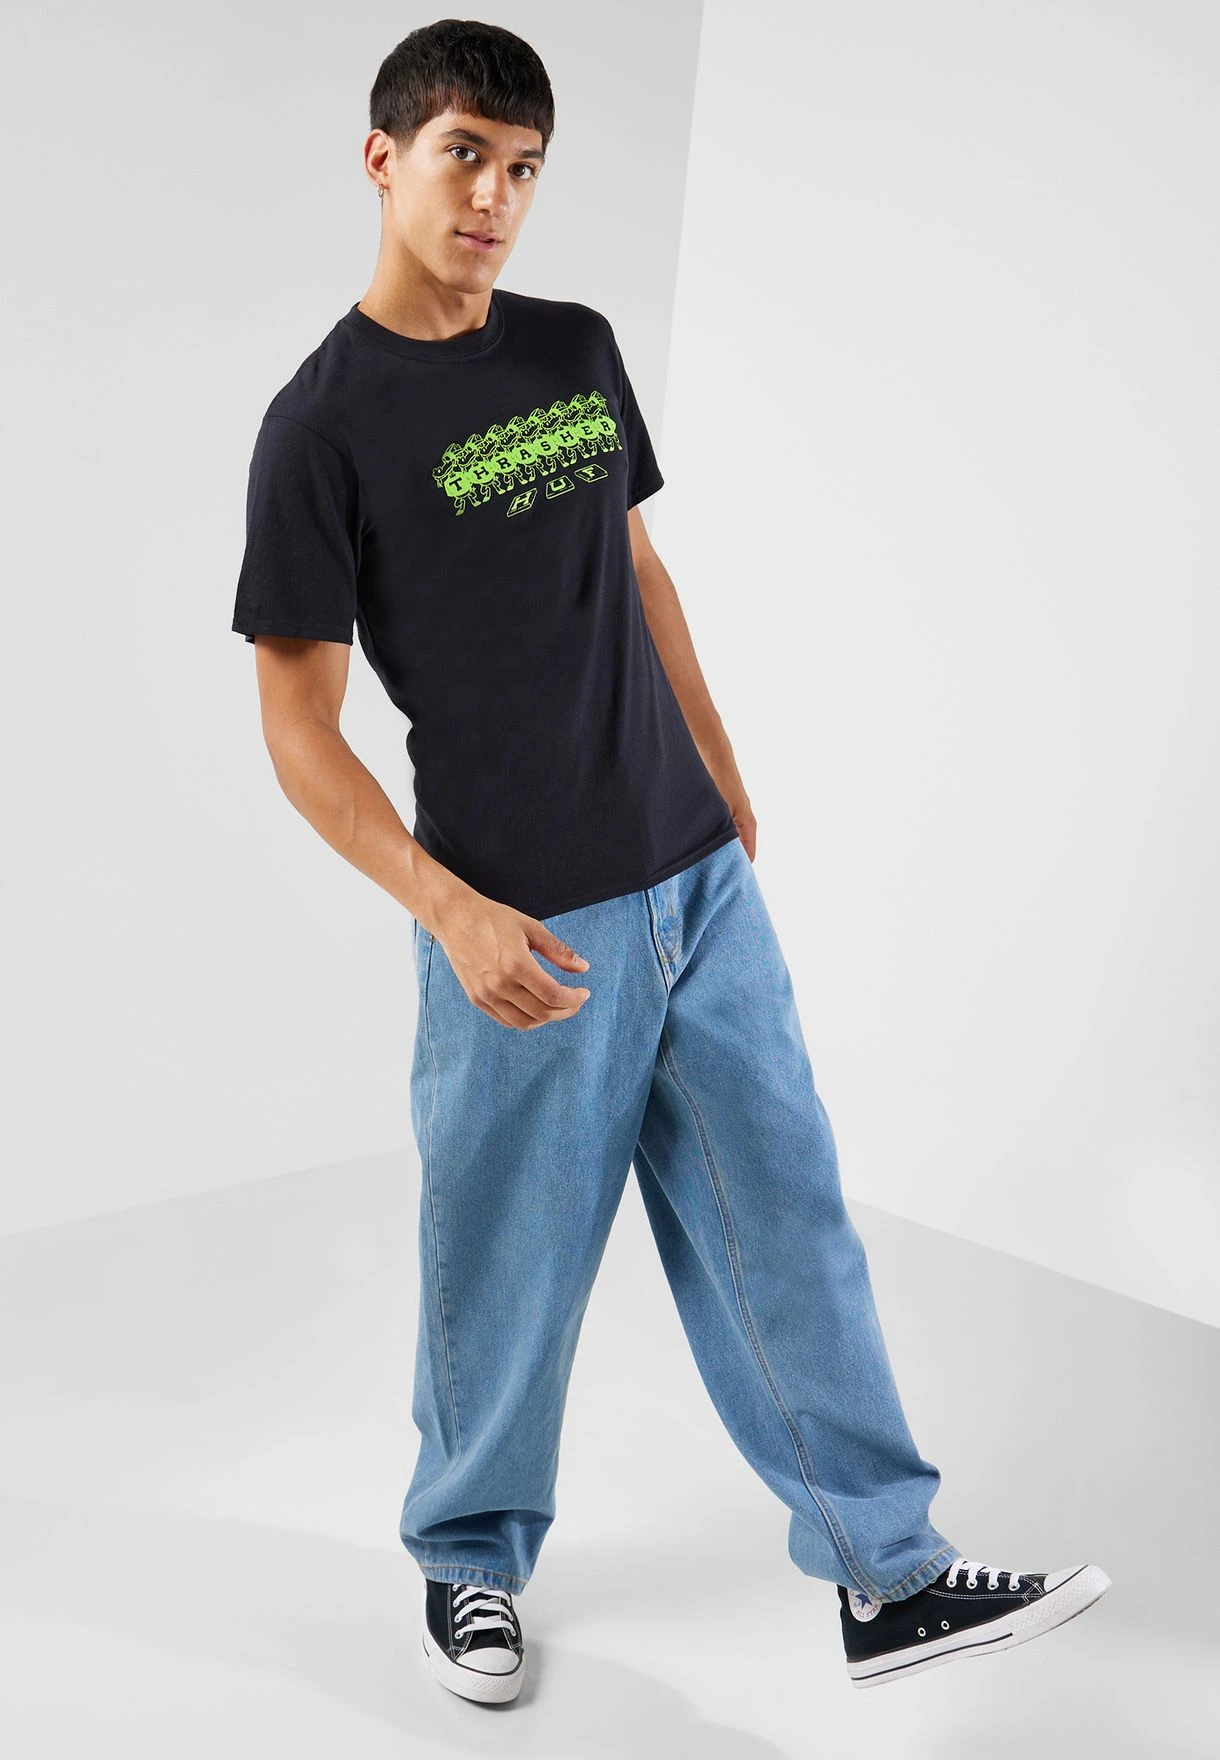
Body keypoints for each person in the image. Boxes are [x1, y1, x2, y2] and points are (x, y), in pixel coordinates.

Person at [231, 18, 1111, 1707]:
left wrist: (719, 763)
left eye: (525, 168)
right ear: (384, 159)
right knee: (506, 1270)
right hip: (522, 924)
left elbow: (636, 568)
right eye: (465, 156)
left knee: (790, 1223)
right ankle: (469, 1564)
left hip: (697, 884)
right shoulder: (320, 428)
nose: (495, 198)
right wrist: (450, 911)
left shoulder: (574, 347)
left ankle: (888, 1578)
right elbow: (296, 730)